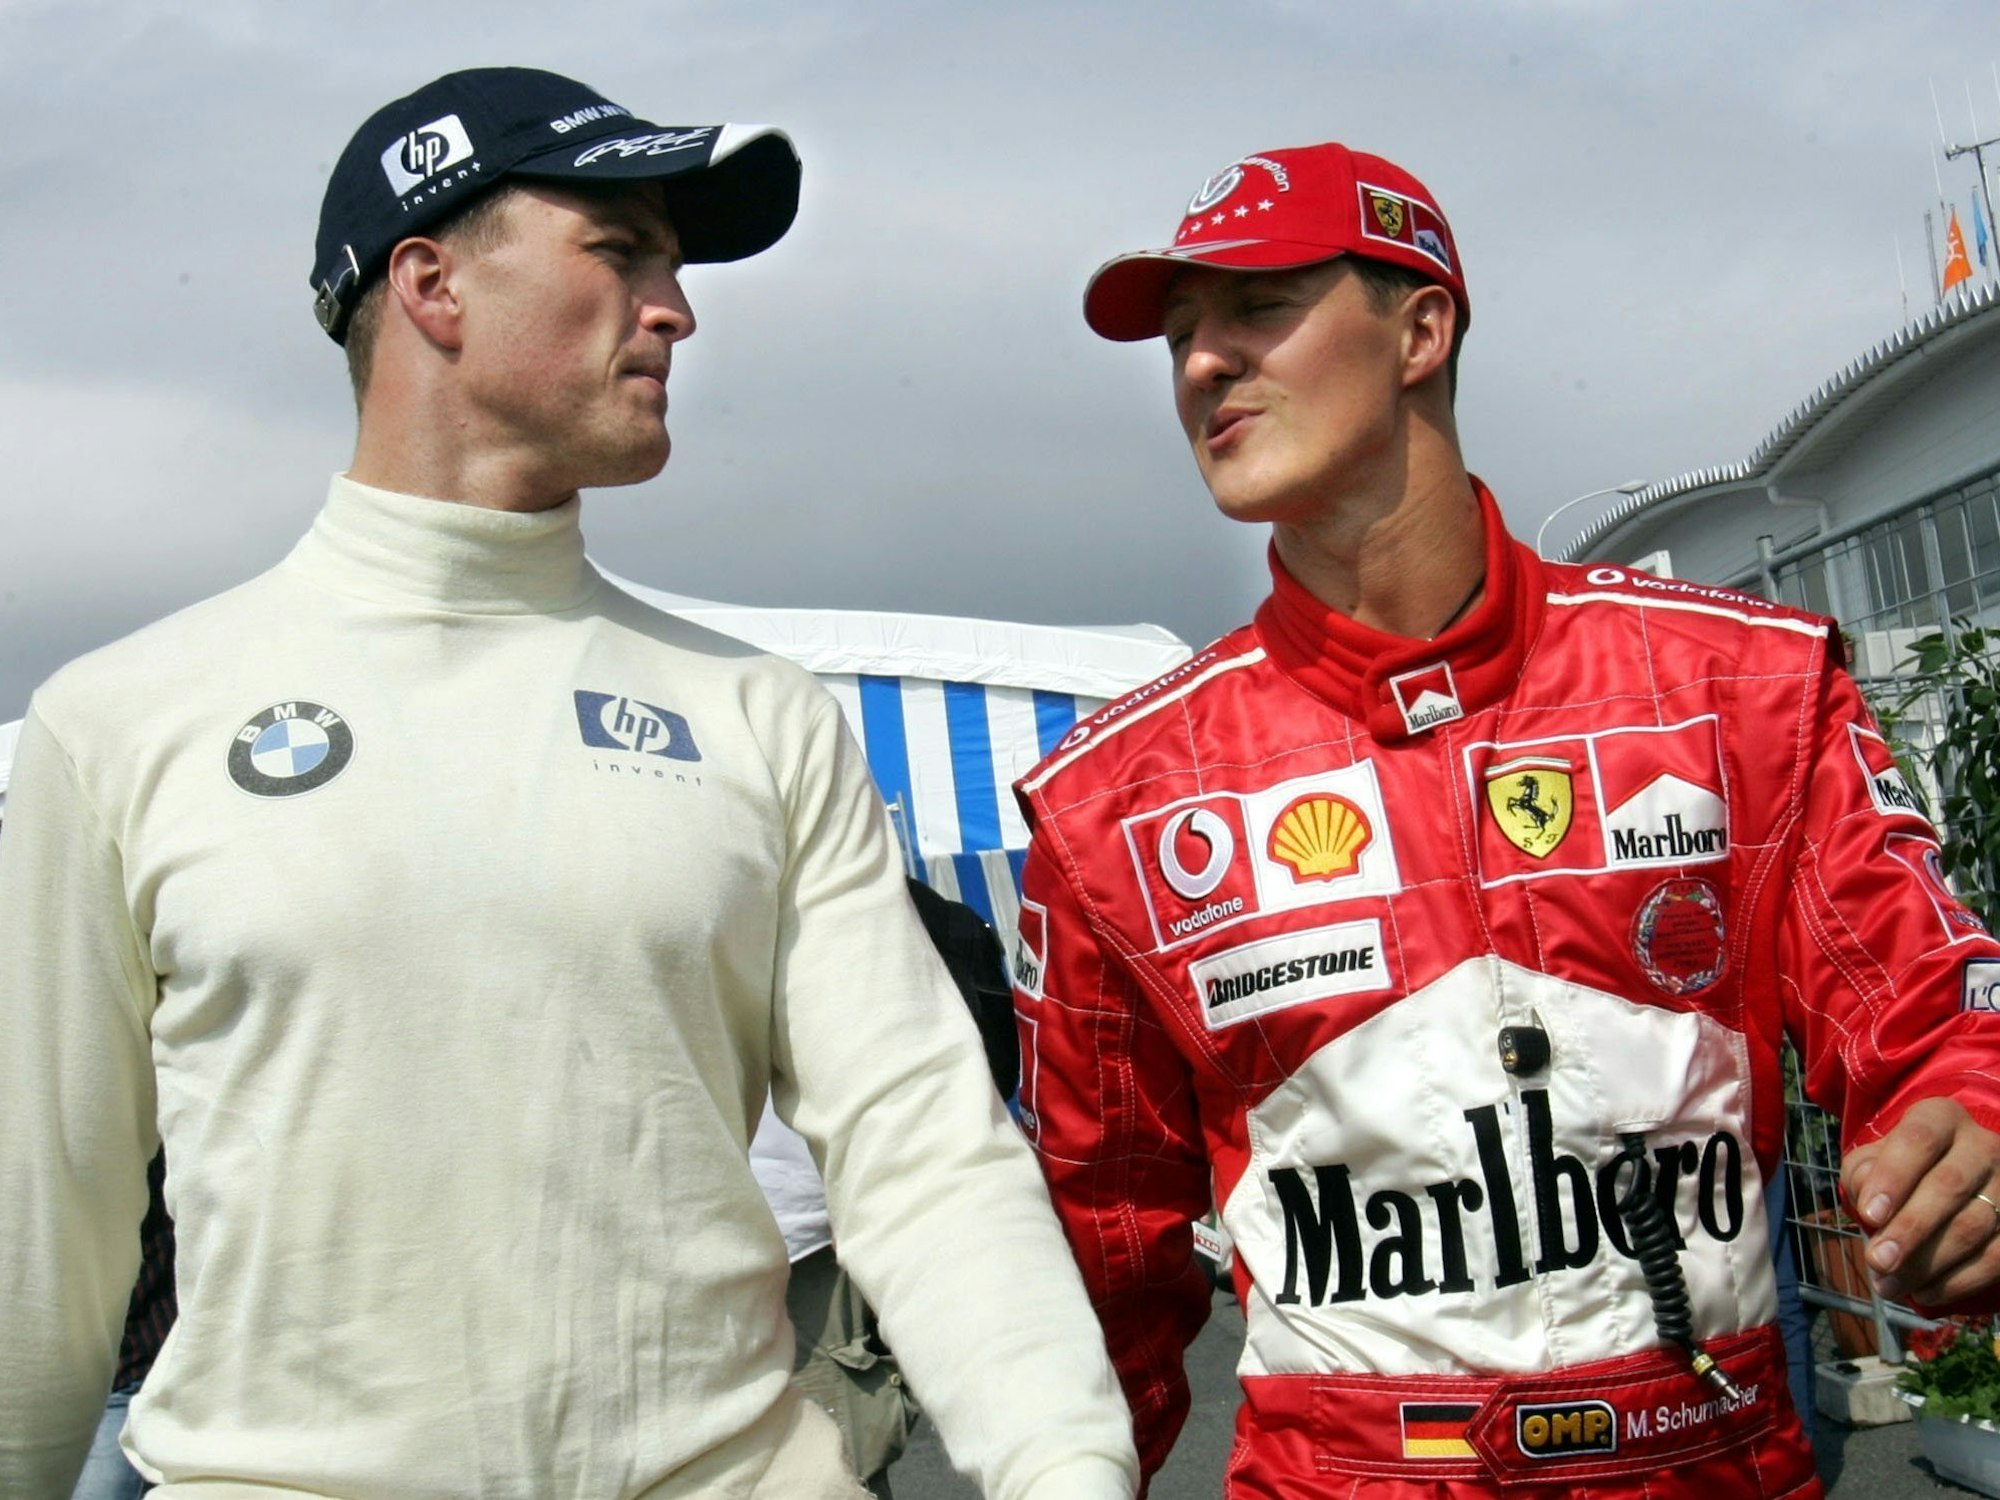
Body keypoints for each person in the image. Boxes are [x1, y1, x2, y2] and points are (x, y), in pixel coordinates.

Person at [0, 67, 1136, 1499]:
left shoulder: (757, 719)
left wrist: (1069, 1470)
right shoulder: (117, 726)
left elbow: (925, 1156)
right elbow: (44, 1236)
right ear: (431, 285)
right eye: (620, 249)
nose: (678, 306)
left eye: (673, 262)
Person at [1010, 139, 2000, 1498]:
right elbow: (1092, 1251)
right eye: (1180, 335)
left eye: (1255, 310)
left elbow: (1933, 1015)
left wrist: (1969, 1119)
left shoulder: (1741, 689)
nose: (1199, 366)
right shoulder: (1117, 802)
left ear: (1420, 327)